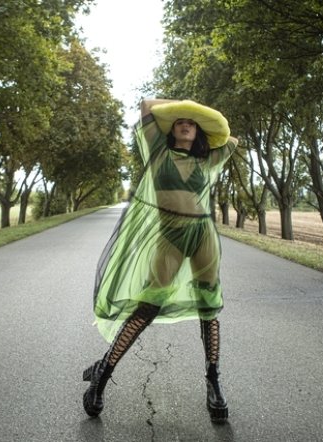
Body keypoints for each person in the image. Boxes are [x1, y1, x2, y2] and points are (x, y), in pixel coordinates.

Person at [83, 98, 238, 423]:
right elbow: (146, 105)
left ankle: (214, 383)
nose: (185, 124)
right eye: (180, 121)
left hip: (203, 235)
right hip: (170, 237)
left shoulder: (206, 160)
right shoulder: (158, 152)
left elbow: (229, 137)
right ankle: (103, 374)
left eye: (191, 122)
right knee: (148, 307)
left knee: (209, 307)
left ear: (198, 131)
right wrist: (186, 107)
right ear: (171, 129)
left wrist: (198, 115)